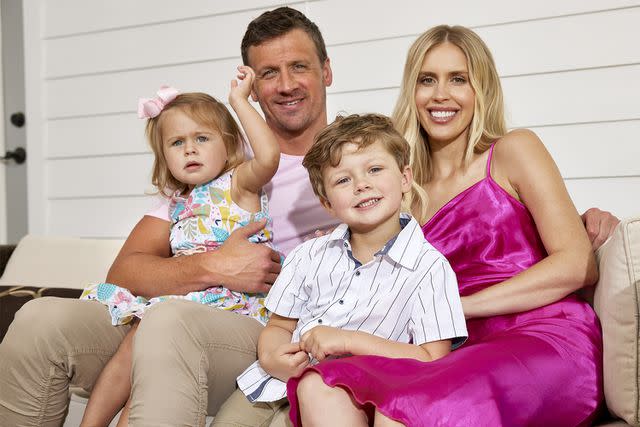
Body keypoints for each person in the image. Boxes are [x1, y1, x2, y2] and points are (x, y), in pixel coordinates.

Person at [0, 7, 619, 427]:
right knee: (40, 317)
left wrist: (578, 215)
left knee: (172, 329)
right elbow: (128, 266)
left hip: (264, 322)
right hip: (196, 302)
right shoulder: (219, 163)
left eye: (300, 67)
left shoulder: (365, 160)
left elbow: (483, 220)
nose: (286, 84)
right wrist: (214, 264)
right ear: (250, 85)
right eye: (269, 72)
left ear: (327, 72)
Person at [284, 25, 605, 426]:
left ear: (480, 89)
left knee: (406, 409)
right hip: (448, 348)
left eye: (458, 79)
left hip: (540, 338)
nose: (440, 95)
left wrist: (455, 309)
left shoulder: (512, 151)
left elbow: (578, 264)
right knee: (323, 384)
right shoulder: (398, 188)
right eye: (427, 80)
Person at [78, 65, 279, 426]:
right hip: (185, 298)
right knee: (137, 350)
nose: (190, 149)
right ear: (165, 158)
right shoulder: (176, 204)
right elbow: (130, 270)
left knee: (152, 338)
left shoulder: (240, 185)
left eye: (202, 138)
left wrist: (239, 101)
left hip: (231, 309)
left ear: (230, 145)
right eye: (177, 143)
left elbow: (268, 157)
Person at [236, 114, 467, 424]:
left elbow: (431, 358)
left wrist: (347, 341)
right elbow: (279, 325)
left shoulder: (428, 268)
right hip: (274, 385)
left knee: (314, 396)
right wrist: (272, 356)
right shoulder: (308, 256)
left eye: (374, 169)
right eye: (343, 180)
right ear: (327, 202)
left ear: (405, 178)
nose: (361, 185)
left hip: (345, 397)